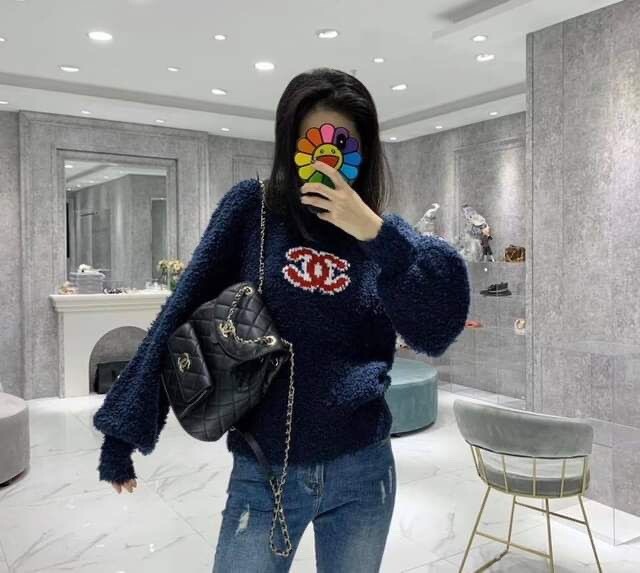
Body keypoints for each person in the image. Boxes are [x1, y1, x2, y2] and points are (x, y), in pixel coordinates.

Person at [93, 67, 470, 573]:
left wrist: (376, 235)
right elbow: (181, 307)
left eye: (343, 143)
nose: (326, 158)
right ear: (290, 145)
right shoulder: (255, 210)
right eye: (311, 142)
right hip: (264, 468)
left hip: (363, 468)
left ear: (364, 150)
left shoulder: (386, 239)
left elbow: (437, 330)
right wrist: (124, 430)